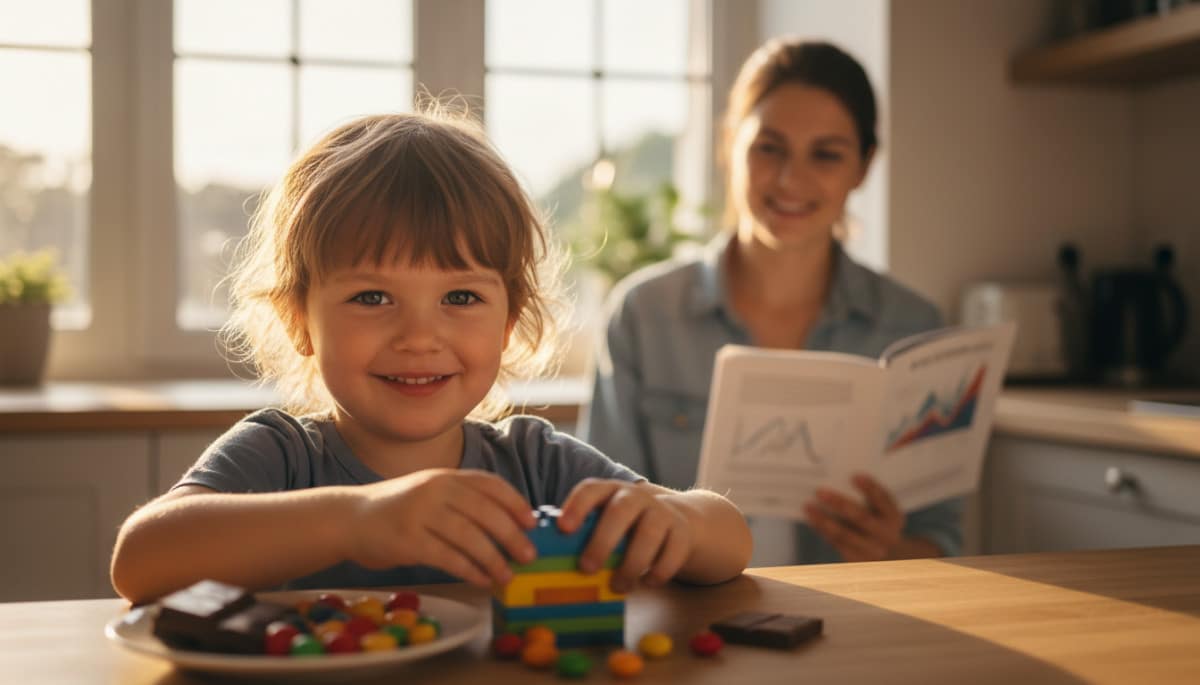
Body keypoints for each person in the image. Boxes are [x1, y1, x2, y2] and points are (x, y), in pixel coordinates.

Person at [110, 109, 752, 605]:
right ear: (298, 320)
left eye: (461, 296)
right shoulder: (283, 456)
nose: (419, 336)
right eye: (371, 296)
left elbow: (729, 539)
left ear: (509, 322)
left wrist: (673, 520)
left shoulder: (534, 465)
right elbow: (140, 560)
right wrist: (358, 520)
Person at [581, 39, 962, 565]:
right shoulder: (643, 316)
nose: (790, 180)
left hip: (854, 625)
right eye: (769, 147)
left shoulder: (913, 328)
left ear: (863, 166)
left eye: (825, 154)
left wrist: (889, 549)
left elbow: (942, 538)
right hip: (686, 625)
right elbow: (600, 511)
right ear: (730, 146)